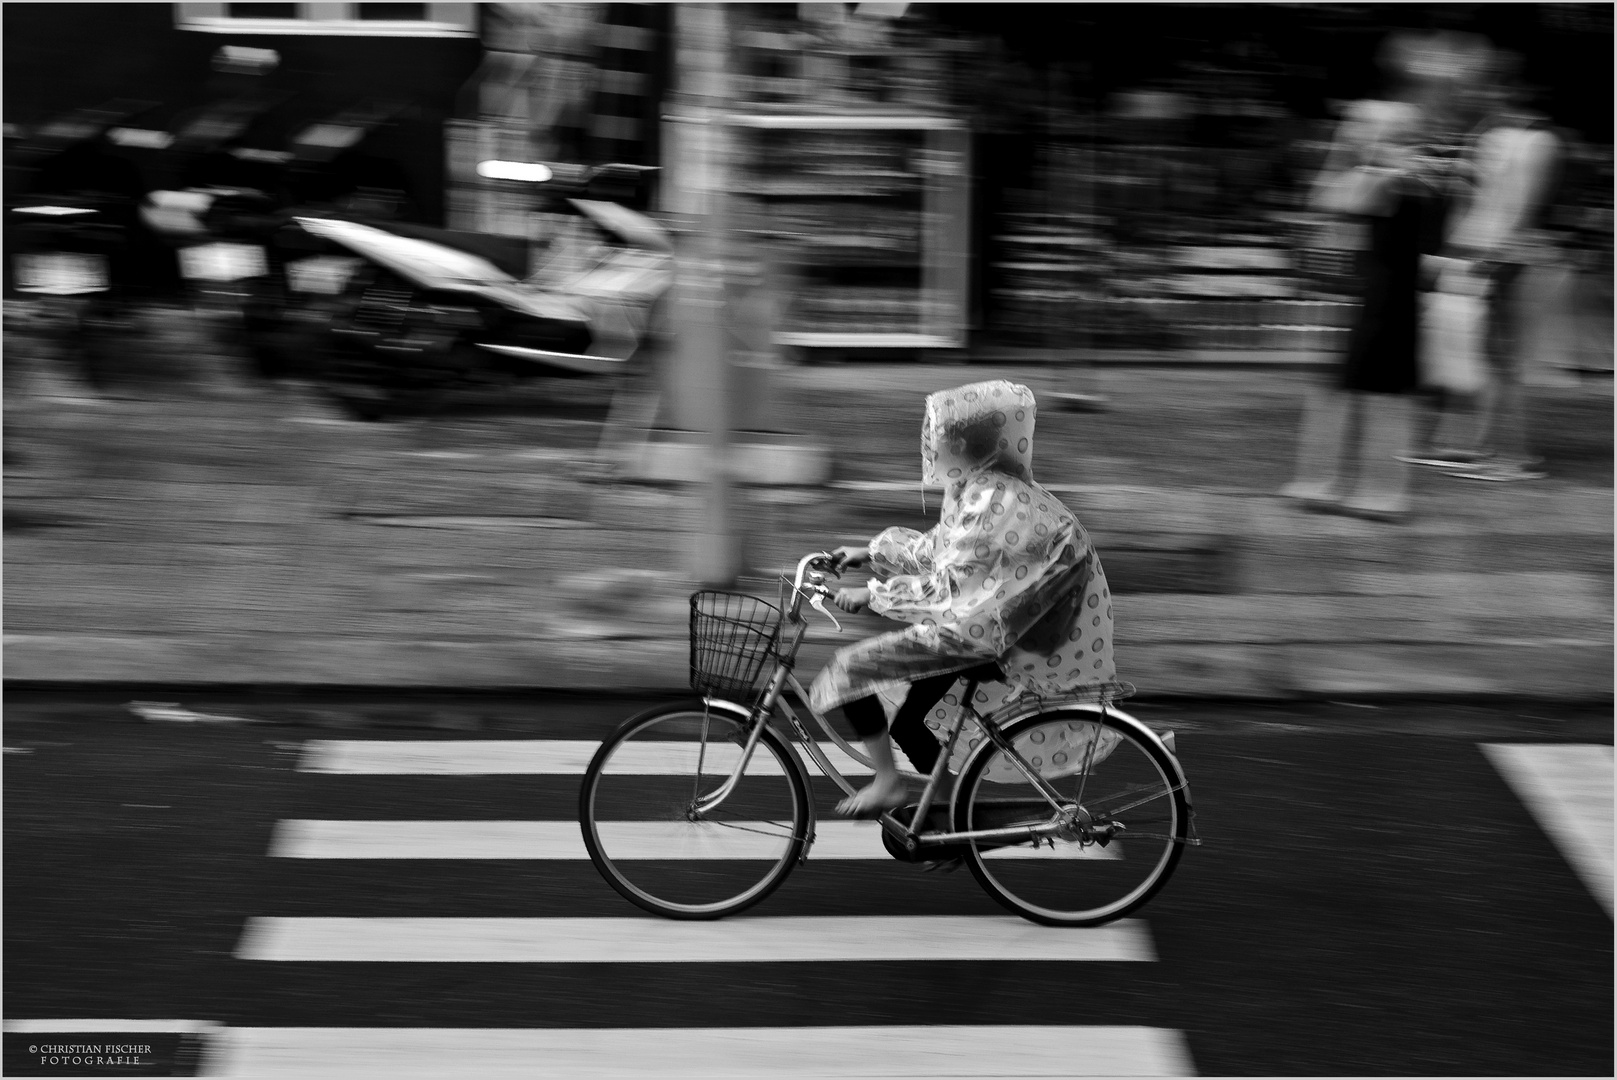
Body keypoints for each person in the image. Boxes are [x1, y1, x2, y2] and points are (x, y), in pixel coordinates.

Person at [808, 380, 1120, 816]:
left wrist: (873, 596)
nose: (933, 446)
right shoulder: (986, 486)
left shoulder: (994, 498)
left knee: (849, 671)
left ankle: (888, 783)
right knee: (908, 723)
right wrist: (870, 552)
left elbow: (948, 587)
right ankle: (953, 818)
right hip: (991, 627)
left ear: (962, 442)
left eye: (941, 437)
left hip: (984, 634)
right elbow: (942, 549)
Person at [1279, 96, 1457, 521]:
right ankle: (1361, 487)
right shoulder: (1420, 177)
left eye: (1360, 126)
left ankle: (1350, 486)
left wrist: (1344, 150)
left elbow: (1325, 197)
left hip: (1382, 305)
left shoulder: (1389, 180)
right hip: (1395, 302)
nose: (1353, 132)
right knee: (1375, 395)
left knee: (1353, 394)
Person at [1412, 59, 1562, 482]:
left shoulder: (1532, 141)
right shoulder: (1496, 135)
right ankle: (1486, 448)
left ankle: (1501, 454)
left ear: (1508, 92)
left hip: (1500, 256)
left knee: (1497, 358)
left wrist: (1487, 255)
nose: (1481, 97)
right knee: (1488, 357)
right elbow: (1476, 199)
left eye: (1489, 90)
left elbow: (1522, 207)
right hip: (1485, 251)